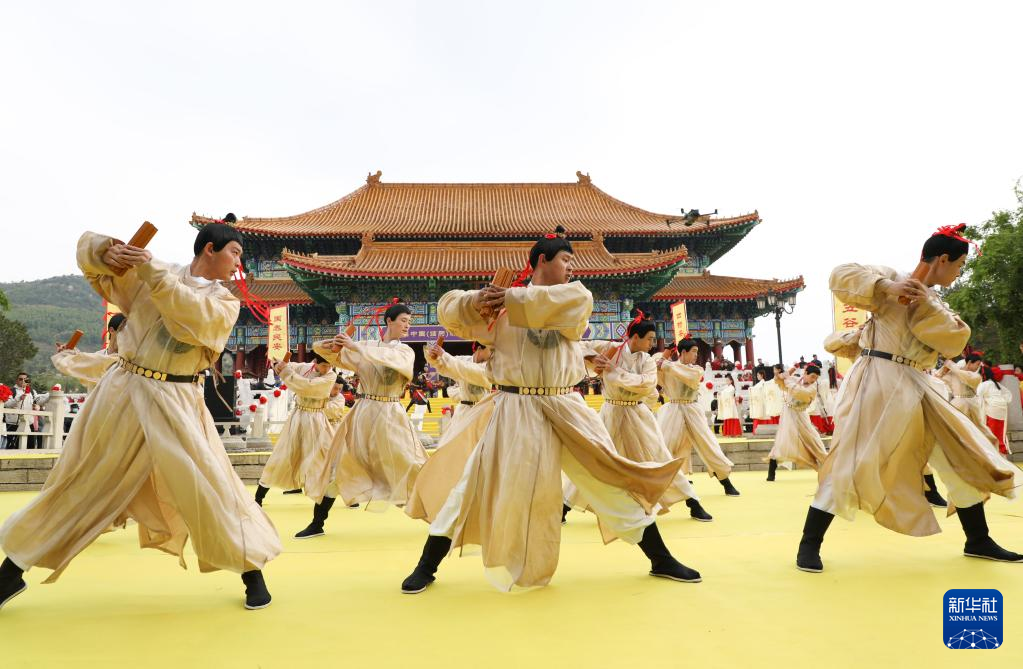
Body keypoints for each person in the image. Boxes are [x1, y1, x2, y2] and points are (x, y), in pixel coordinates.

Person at [0, 220, 281, 611]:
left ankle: (252, 570)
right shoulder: (154, 272)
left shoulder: (221, 301)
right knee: (81, 481)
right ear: (209, 249)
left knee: (210, 484)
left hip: (177, 399)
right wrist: (108, 251)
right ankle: (10, 573)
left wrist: (150, 269)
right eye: (235, 252)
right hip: (123, 393)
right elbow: (94, 263)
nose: (239, 263)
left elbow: (193, 318)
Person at [401, 227, 700, 594]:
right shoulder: (501, 309)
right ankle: (427, 565)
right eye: (565, 260)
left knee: (607, 482)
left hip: (565, 406)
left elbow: (572, 300)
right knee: (470, 485)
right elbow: (448, 309)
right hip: (514, 407)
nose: (571, 267)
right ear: (542, 260)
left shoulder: (570, 299)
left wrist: (510, 298)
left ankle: (660, 558)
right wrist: (479, 298)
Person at [795, 224, 1021, 574]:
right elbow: (841, 275)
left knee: (957, 454)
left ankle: (978, 539)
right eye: (959, 264)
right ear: (942, 259)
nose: (959, 272)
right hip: (879, 380)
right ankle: (809, 543)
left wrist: (927, 302)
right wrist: (887, 287)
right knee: (852, 460)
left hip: (920, 383)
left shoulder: (936, 301)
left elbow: (953, 342)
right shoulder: (891, 278)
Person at [567, 317, 714, 521]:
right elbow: (577, 346)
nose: (652, 344)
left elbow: (646, 384)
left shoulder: (647, 361)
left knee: (661, 457)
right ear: (635, 337)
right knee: (596, 458)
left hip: (637, 413)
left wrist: (614, 371)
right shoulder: (611, 349)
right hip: (611, 412)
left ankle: (692, 502)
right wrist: (593, 357)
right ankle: (564, 506)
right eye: (650, 339)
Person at [301, 301, 427, 538]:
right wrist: (332, 344)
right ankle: (317, 523)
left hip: (390, 414)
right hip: (363, 412)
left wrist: (355, 346)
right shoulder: (366, 346)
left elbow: (388, 358)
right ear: (389, 321)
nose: (407, 326)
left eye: (409, 322)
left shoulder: (404, 351)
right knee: (339, 465)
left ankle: (441, 519)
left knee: (411, 464)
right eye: (403, 321)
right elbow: (333, 355)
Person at [657, 339, 740, 498]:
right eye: (693, 351)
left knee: (709, 445)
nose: (696, 354)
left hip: (692, 409)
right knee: (668, 447)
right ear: (683, 352)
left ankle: (725, 481)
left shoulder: (695, 369)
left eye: (697, 351)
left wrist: (665, 363)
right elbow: (655, 369)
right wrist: (664, 355)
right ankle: (667, 483)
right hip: (673, 410)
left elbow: (686, 375)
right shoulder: (669, 367)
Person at [253, 353, 338, 507]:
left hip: (317, 419)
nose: (327, 369)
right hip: (298, 417)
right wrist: (278, 364)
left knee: (323, 457)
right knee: (281, 455)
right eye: (324, 365)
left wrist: (285, 371)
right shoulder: (304, 367)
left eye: (329, 365)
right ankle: (258, 497)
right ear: (315, 362)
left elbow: (307, 386)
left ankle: (322, 500)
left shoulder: (330, 376)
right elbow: (288, 366)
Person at [766, 365, 829, 481]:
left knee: (812, 439)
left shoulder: (812, 387)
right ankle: (771, 471)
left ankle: (828, 465)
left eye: (816, 378)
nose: (814, 380)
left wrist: (787, 379)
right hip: (787, 413)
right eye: (812, 376)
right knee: (782, 440)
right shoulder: (794, 379)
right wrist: (788, 372)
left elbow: (800, 393)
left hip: (801, 414)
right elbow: (778, 380)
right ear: (805, 373)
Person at [977, 365, 1012, 455]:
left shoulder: (984, 384)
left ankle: (994, 451)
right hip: (1002, 408)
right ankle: (1001, 449)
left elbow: (977, 396)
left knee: (991, 430)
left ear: (982, 375)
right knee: (1000, 430)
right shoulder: (996, 384)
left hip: (992, 409)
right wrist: (1002, 401)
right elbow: (1008, 394)